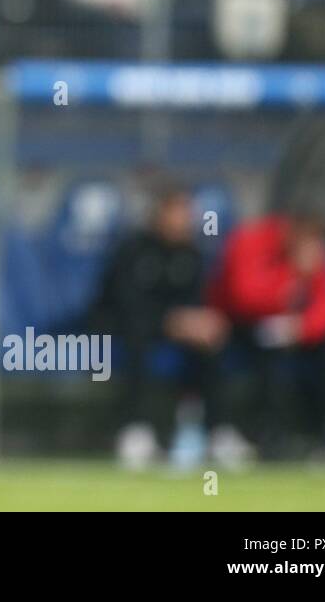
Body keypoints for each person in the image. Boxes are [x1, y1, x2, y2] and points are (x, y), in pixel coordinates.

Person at [91, 185, 226, 467]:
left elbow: (196, 301)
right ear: (159, 214)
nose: (184, 220)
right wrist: (171, 321)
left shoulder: (192, 254)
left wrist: (197, 323)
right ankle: (134, 428)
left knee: (209, 340)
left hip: (171, 330)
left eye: (187, 213)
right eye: (177, 212)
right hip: (123, 325)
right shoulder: (132, 249)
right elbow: (124, 303)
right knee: (137, 341)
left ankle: (210, 430)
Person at [204, 208, 325, 457]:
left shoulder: (315, 249)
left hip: (291, 329)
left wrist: (301, 328)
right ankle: (264, 436)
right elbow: (244, 296)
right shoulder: (249, 240)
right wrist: (293, 278)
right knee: (265, 353)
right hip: (239, 322)